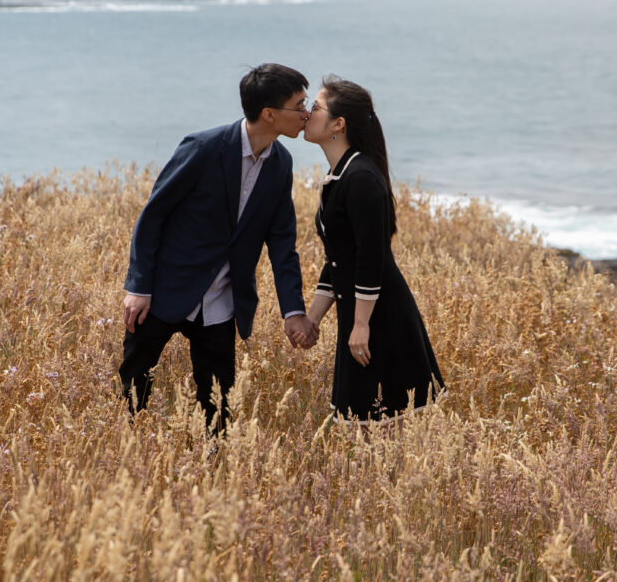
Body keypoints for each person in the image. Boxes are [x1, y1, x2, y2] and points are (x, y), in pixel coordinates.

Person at [119, 63, 319, 435]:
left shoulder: (281, 163)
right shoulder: (204, 147)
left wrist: (293, 311)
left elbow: (281, 244)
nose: (307, 115)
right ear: (269, 113)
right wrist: (139, 286)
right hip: (164, 292)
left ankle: (211, 476)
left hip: (222, 304)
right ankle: (132, 462)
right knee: (134, 389)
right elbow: (154, 214)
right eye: (300, 105)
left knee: (219, 408)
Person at [303, 76, 445, 424]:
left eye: (316, 107)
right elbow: (338, 258)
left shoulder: (361, 177)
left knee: (379, 428)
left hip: (381, 316)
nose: (308, 112)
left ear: (338, 124)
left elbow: (371, 257)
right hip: (359, 313)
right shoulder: (341, 174)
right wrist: (313, 319)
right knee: (363, 428)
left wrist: (361, 324)